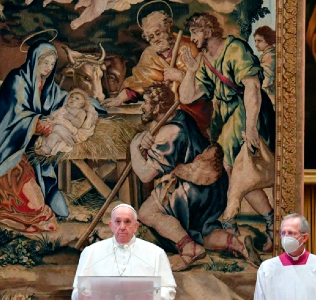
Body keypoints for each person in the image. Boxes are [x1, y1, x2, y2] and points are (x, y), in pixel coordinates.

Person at [169, 13, 276, 252]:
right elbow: (188, 96)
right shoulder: (205, 59)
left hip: (248, 110)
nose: (193, 38)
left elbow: (252, 86)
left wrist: (250, 125)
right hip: (226, 117)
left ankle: (228, 224)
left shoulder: (235, 49)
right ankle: (271, 222)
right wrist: (189, 71)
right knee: (241, 176)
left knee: (224, 169)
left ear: (207, 31)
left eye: (195, 33)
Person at [132, 82, 257, 270]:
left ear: (157, 107)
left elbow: (145, 176)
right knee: (203, 231)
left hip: (192, 188)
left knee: (147, 213)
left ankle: (189, 249)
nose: (142, 107)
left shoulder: (169, 132)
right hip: (215, 187)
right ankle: (236, 243)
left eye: (146, 102)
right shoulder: (183, 117)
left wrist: (134, 148)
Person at [0, 41, 69, 233]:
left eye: (51, 63)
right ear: (33, 60)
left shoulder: (47, 85)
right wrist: (38, 123)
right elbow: (15, 114)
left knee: (39, 205)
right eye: (44, 62)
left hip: (23, 146)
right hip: (3, 145)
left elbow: (65, 99)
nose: (48, 68)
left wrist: (90, 105)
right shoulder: (17, 79)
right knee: (35, 208)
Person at [103, 9, 212, 133]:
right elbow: (138, 82)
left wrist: (180, 76)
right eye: (151, 37)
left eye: (158, 33)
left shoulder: (188, 47)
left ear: (167, 29)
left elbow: (203, 84)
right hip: (164, 112)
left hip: (191, 110)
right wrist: (119, 99)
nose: (155, 39)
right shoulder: (149, 55)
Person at [34, 88, 99, 156]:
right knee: (47, 135)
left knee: (55, 137)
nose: (73, 99)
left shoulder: (80, 112)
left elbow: (78, 124)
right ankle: (42, 145)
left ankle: (46, 149)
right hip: (57, 123)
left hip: (68, 128)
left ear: (82, 104)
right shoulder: (64, 108)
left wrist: (71, 118)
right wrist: (52, 116)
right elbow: (54, 114)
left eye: (77, 98)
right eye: (71, 97)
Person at [253, 26, 276, 106]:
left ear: (268, 39)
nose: (256, 44)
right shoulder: (266, 55)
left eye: (259, 41)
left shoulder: (269, 56)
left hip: (268, 98)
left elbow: (266, 81)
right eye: (255, 41)